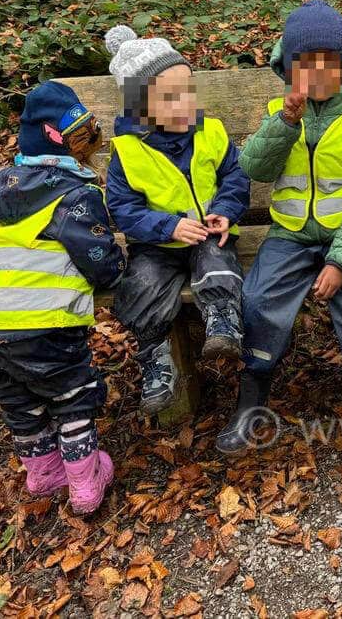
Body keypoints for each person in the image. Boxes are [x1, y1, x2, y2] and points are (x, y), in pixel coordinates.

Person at [217, 0, 342, 454]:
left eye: (329, 65)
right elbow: (255, 168)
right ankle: (252, 393)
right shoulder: (279, 112)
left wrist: (341, 263)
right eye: (306, 66)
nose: (318, 76)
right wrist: (284, 123)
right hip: (289, 235)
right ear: (288, 69)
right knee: (259, 296)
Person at [0, 81, 125, 514]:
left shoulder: (4, 188)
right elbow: (97, 256)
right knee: (71, 396)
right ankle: (85, 484)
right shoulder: (74, 195)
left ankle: (44, 473)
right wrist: (117, 267)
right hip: (43, 325)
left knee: (19, 402)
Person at [104, 26, 250, 415]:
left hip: (208, 232)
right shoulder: (128, 151)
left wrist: (226, 211)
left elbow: (234, 178)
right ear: (141, 107)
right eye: (170, 97)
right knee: (142, 284)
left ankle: (223, 322)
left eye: (188, 91)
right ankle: (155, 356)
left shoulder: (211, 131)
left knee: (217, 259)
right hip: (156, 244)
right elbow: (123, 208)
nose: (184, 102)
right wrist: (166, 226)